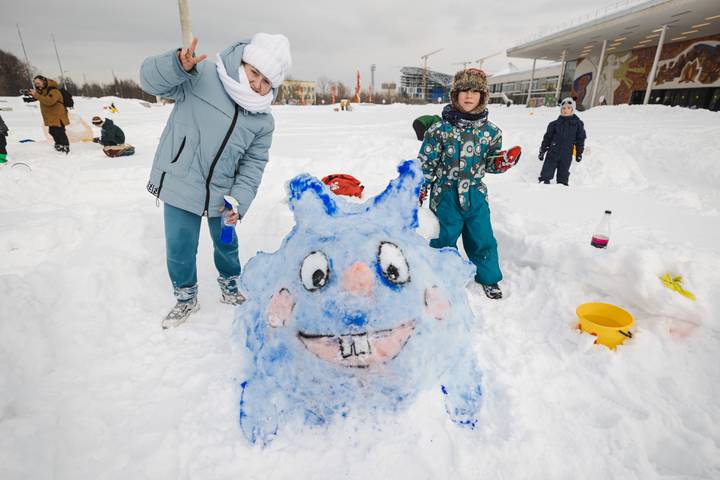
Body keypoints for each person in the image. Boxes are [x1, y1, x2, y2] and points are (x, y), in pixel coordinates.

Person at [140, 34, 291, 328]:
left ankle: (230, 285)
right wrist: (176, 66)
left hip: (224, 197)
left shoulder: (262, 120)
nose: (257, 84)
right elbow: (149, 82)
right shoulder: (204, 76)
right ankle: (185, 297)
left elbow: (253, 164)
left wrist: (239, 201)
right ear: (242, 63)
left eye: (266, 82)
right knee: (180, 246)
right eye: (254, 73)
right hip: (182, 183)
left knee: (226, 242)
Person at [418, 68, 519, 300]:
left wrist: (503, 161)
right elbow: (426, 163)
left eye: (475, 91)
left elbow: (489, 163)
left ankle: (488, 277)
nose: (469, 95)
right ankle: (440, 278)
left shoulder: (491, 132)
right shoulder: (439, 130)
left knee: (482, 237)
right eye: (463, 90)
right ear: (455, 95)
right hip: (445, 195)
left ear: (483, 96)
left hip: (475, 194)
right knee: (442, 238)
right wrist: (421, 187)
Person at [538, 97, 586, 185]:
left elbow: (580, 139)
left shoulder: (578, 124)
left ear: (573, 109)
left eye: (568, 108)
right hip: (552, 153)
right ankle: (543, 188)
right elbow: (547, 138)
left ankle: (562, 193)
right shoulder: (554, 124)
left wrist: (579, 153)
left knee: (563, 177)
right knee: (546, 175)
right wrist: (542, 150)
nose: (565, 110)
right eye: (563, 108)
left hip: (566, 154)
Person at [29, 75, 70, 154]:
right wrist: (31, 98)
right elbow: (42, 97)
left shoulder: (54, 91)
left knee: (60, 132)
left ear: (44, 81)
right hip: (51, 116)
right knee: (52, 131)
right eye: (35, 84)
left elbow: (49, 101)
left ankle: (65, 146)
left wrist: (36, 95)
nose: (37, 85)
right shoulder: (44, 90)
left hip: (58, 116)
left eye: (38, 83)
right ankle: (59, 144)